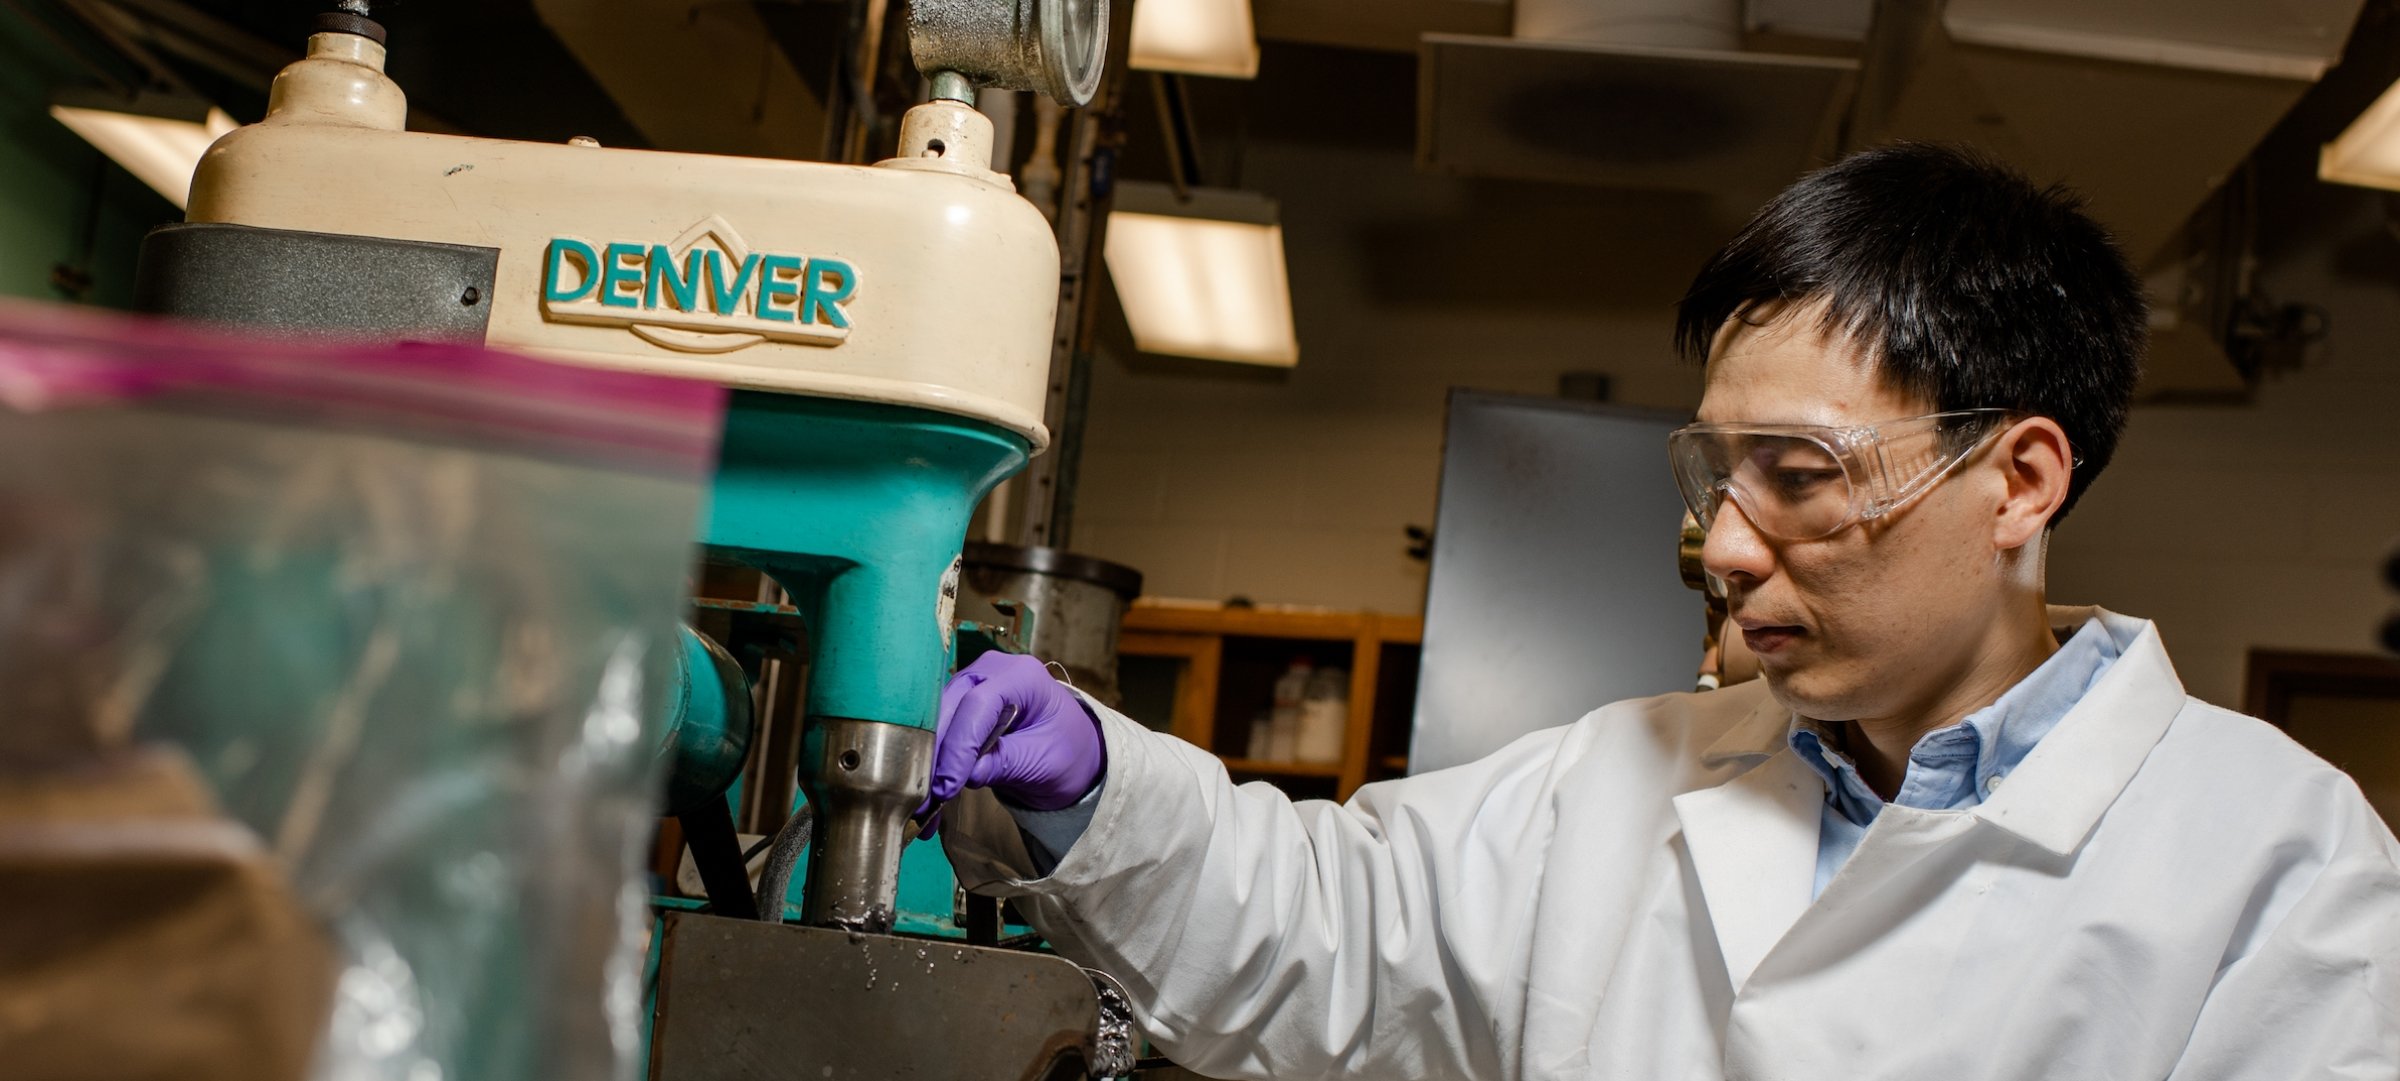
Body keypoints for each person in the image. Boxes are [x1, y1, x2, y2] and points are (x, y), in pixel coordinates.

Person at [921, 144, 2400, 1079]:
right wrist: (1099, 790)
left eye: (1802, 476)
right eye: (1714, 471)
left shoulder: (2281, 869)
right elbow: (1330, 931)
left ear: (2017, 478)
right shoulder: (1621, 774)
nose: (1724, 545)